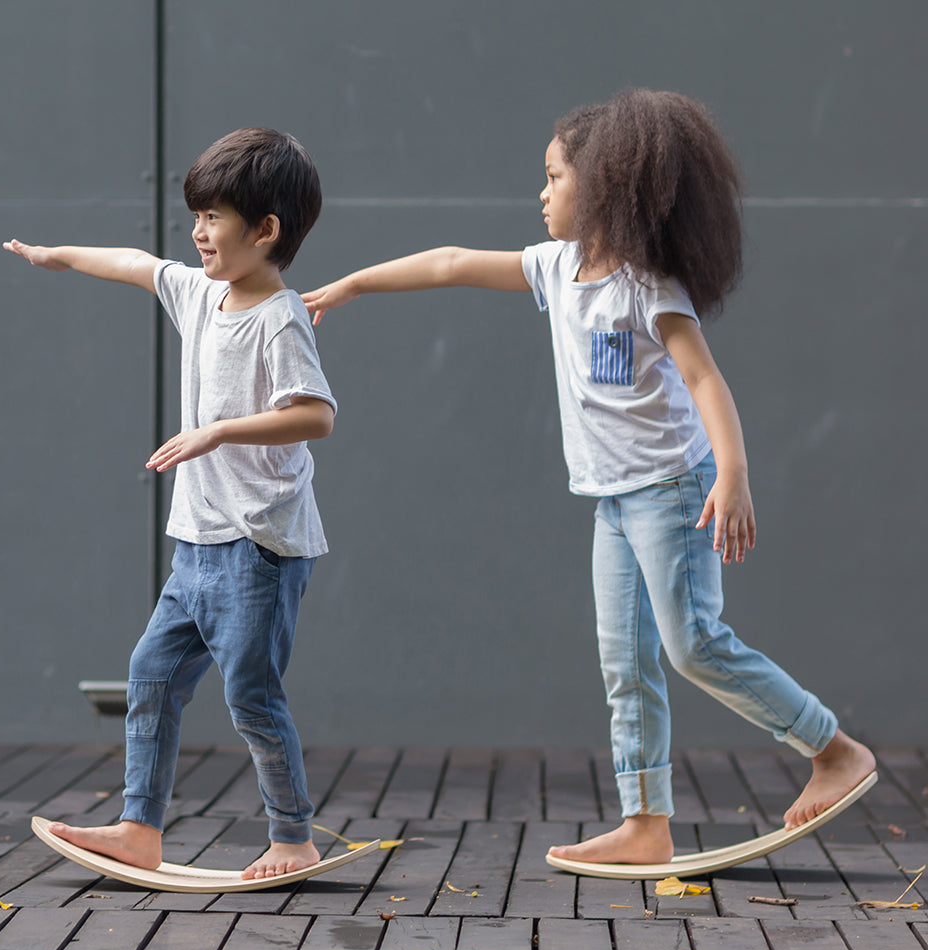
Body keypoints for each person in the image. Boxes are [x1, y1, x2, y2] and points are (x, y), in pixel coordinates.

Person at [301, 89, 874, 865]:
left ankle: (832, 749)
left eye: (553, 178)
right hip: (612, 499)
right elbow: (451, 262)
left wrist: (732, 474)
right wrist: (356, 284)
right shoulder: (555, 267)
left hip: (672, 490)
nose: (541, 195)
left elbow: (706, 381)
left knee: (693, 644)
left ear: (603, 187)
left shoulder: (647, 287)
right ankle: (645, 822)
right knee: (625, 660)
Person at [4, 127, 336, 879]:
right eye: (198, 216)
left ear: (266, 230)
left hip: (258, 548)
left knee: (250, 694)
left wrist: (218, 431)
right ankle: (138, 827)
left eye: (214, 217)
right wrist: (58, 257)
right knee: (150, 676)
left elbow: (317, 414)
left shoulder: (278, 319)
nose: (198, 232)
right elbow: (136, 264)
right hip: (197, 544)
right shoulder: (200, 291)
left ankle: (293, 837)